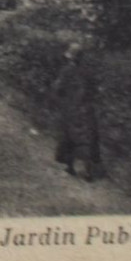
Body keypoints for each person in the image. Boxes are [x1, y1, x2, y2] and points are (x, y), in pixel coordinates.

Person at [52, 47, 102, 182]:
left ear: (71, 57)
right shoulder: (88, 72)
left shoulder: (66, 71)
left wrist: (60, 99)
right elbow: (95, 91)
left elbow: (58, 89)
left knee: (69, 137)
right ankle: (88, 172)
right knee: (87, 140)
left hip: (71, 108)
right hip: (86, 109)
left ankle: (70, 167)